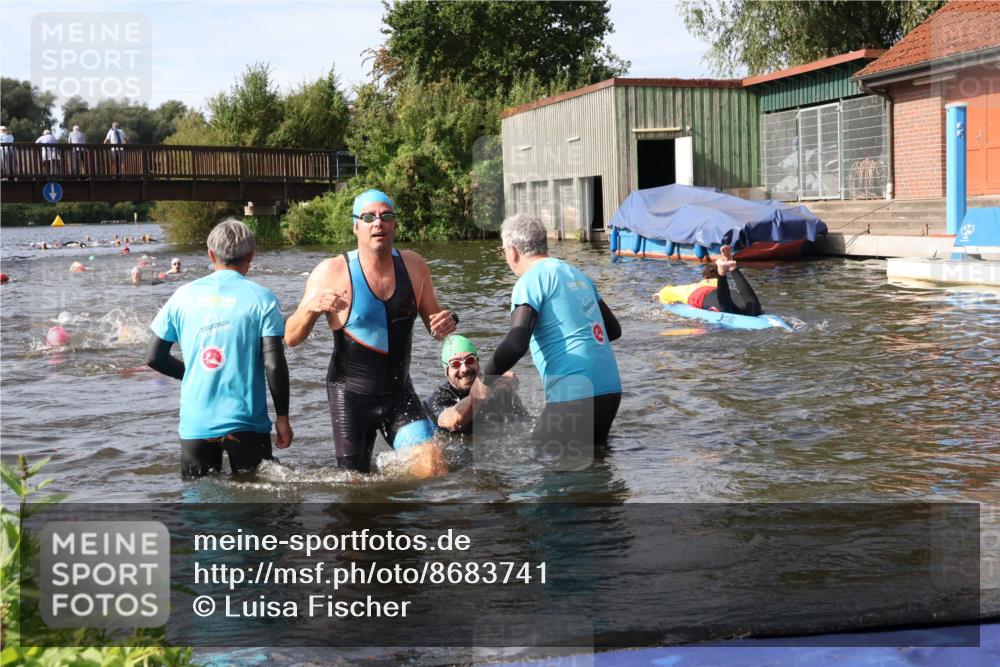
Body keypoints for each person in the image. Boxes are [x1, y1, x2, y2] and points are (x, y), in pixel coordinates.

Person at [284, 189, 456, 477]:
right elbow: (291, 337)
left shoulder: (414, 266)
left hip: (399, 392)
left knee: (433, 467)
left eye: (385, 216)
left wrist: (446, 323)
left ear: (394, 225)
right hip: (351, 396)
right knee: (356, 488)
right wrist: (311, 308)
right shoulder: (331, 271)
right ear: (356, 226)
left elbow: (434, 324)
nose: (378, 223)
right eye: (368, 217)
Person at [146, 219, 293, 478]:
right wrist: (283, 418)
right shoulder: (263, 298)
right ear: (251, 256)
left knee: (200, 507)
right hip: (246, 423)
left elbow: (154, 358)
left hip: (196, 424)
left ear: (210, 254)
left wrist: (192, 373)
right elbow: (274, 364)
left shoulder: (182, 295)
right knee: (257, 507)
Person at [473, 214, 623, 464]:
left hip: (575, 391)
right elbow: (614, 330)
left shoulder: (529, 281)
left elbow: (516, 343)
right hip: (610, 389)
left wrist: (484, 379)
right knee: (592, 468)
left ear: (512, 251)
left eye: (503, 252)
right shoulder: (577, 274)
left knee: (541, 465)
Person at [424, 335, 527, 434]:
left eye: (470, 360)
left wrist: (509, 386)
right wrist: (475, 398)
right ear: (446, 371)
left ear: (477, 362)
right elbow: (450, 422)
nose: (465, 369)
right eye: (455, 364)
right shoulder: (437, 398)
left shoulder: (498, 387)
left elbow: (523, 423)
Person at [657, 245, 762, 316]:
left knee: (727, 310)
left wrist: (660, 294)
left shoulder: (691, 287)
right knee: (754, 308)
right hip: (726, 292)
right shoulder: (717, 283)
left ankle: (723, 273)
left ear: (705, 277)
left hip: (702, 296)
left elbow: (667, 291)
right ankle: (733, 267)